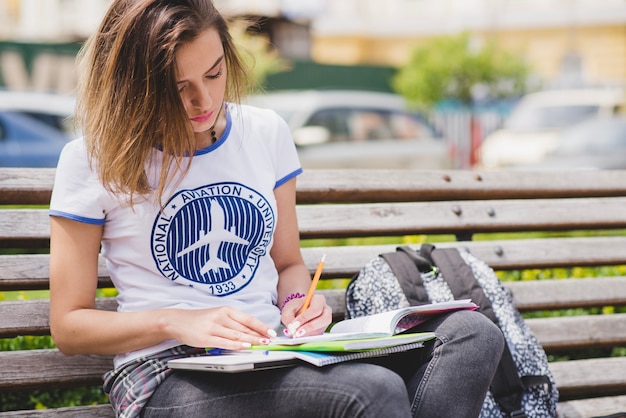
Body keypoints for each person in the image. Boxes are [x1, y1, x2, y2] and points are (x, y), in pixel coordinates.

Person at [48, 1, 505, 417]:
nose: (203, 101)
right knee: (372, 392)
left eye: (214, 74)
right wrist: (178, 321)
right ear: (138, 87)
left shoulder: (264, 132)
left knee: (470, 336)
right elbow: (69, 327)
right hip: (166, 372)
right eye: (178, 87)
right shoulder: (92, 159)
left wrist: (296, 306)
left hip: (273, 351)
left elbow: (287, 263)